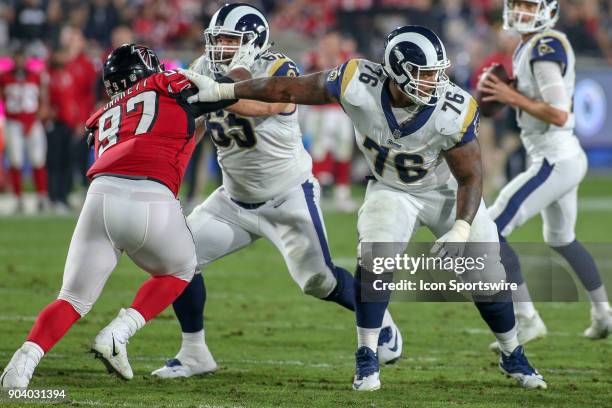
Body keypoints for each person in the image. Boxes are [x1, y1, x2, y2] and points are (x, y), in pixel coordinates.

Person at [182, 25, 548, 391]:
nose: (435, 82)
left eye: (438, 72)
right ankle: (367, 358)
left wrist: (462, 228)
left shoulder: (453, 108)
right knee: (374, 258)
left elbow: (470, 177)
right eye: (424, 74)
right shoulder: (357, 81)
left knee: (486, 278)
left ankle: (511, 350)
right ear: (398, 70)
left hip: (445, 193)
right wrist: (226, 90)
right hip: (391, 189)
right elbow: (287, 88)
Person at [152, 2, 402, 380]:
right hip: (231, 200)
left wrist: (221, 92)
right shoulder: (206, 67)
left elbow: (271, 105)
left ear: (253, 42)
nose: (218, 46)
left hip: (287, 196)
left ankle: (377, 317)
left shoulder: (278, 68)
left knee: (319, 281)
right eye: (215, 39)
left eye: (228, 40)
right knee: (177, 259)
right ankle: (194, 353)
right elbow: (198, 123)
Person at [0, 43, 237, 389]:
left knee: (71, 298)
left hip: (98, 200)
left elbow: (152, 133)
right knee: (183, 269)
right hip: (149, 197)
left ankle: (21, 366)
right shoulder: (168, 84)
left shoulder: (100, 117)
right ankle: (119, 332)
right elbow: (225, 94)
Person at [479, 0, 611, 350]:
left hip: (554, 156)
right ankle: (603, 314)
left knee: (490, 229)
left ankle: (527, 319)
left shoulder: (544, 46)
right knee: (561, 238)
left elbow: (561, 115)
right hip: (560, 155)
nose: (521, 12)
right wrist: (512, 91)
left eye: (529, 5)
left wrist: (510, 95)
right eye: (517, 5)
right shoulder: (532, 45)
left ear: (547, 8)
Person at [0, 46, 48, 212]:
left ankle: (42, 196)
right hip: (14, 122)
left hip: (33, 120)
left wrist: (42, 112)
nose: (20, 61)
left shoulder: (35, 76)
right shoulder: (5, 77)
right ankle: (18, 198)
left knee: (38, 159)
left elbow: (43, 96)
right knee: (16, 161)